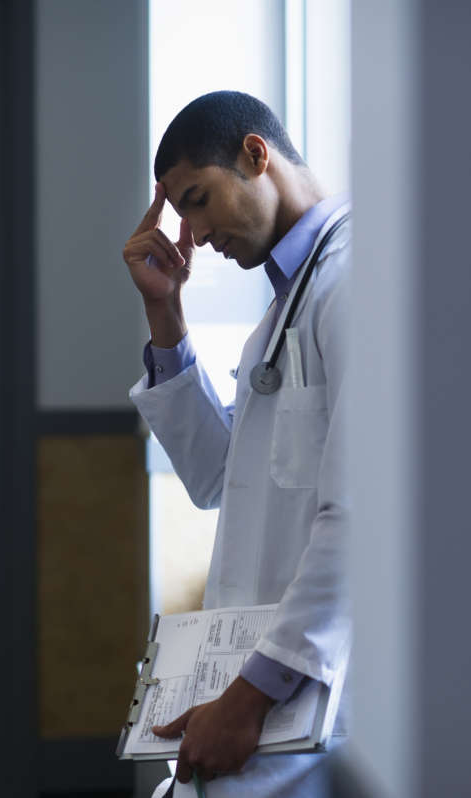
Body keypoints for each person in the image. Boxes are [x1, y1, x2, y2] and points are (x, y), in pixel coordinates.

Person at [123, 90, 350, 798]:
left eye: (198, 198)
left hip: (305, 705)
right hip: (266, 699)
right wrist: (166, 314)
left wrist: (252, 695)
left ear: (256, 155)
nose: (191, 232)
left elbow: (365, 519)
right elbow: (221, 477)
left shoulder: (356, 284)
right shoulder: (287, 311)